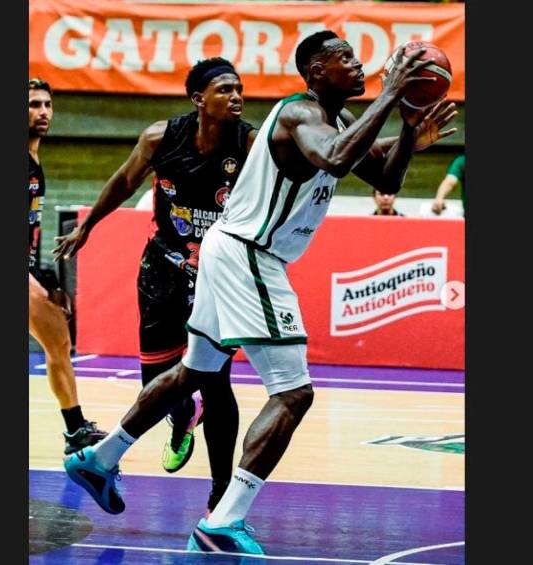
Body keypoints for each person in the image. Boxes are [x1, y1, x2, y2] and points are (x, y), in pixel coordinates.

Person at [63, 30, 457, 555]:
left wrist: (407, 130)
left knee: (195, 372)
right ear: (315, 71)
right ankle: (223, 521)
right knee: (294, 392)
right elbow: (336, 159)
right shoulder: (299, 115)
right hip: (251, 253)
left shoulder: (336, 121)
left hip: (229, 249)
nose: (361, 65)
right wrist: (390, 94)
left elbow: (384, 173)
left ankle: (100, 459)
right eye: (344, 58)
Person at [53, 59, 256, 514]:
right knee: (159, 385)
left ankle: (221, 493)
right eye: (225, 89)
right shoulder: (161, 137)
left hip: (218, 275)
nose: (237, 96)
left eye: (239, 89)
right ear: (198, 99)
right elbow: (126, 180)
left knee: (217, 381)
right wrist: (88, 227)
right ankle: (183, 417)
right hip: (163, 269)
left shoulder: (249, 143)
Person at [28, 78, 108, 455]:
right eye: (33, 105)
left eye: (47, 104)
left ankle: (76, 429)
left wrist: (42, 275)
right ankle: (75, 430)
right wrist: (41, 279)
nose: (43, 112)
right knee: (58, 338)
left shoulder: (34, 159)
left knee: (58, 338)